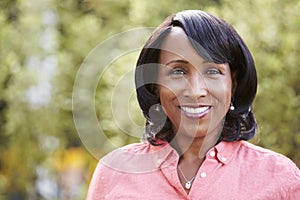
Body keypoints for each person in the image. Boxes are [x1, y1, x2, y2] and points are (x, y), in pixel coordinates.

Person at [86, 10, 300, 199]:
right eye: (178, 71)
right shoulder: (115, 173)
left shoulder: (280, 178)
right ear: (155, 85)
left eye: (212, 71)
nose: (196, 91)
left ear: (233, 83)